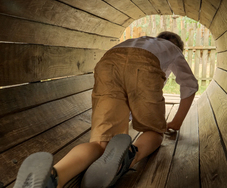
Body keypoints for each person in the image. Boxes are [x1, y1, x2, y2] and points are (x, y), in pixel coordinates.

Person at [14, 31, 198, 188]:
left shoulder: (137, 41)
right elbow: (189, 85)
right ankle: (128, 157)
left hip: (107, 63)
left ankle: (53, 177)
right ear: (177, 46)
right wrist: (176, 121)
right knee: (154, 131)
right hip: (144, 66)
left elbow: (126, 85)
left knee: (100, 143)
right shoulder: (172, 49)